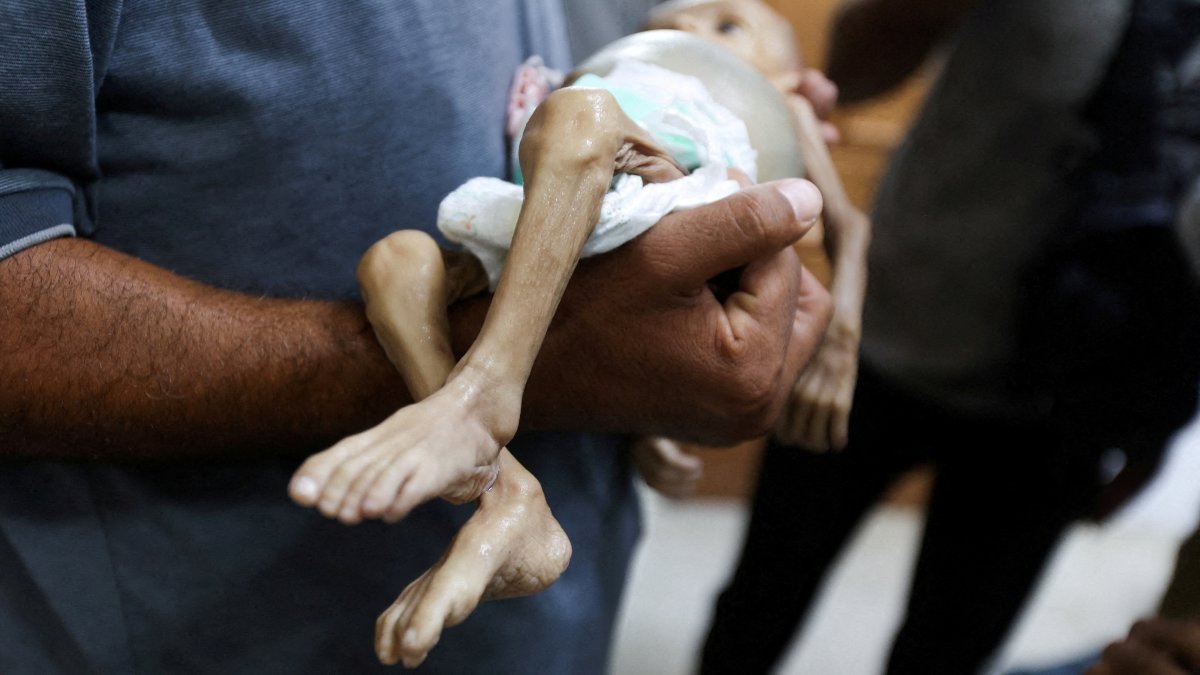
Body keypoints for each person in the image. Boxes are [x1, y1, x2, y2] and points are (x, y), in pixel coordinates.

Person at [0, 2, 832, 673]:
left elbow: (844, 230)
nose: (688, 23)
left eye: (729, 22)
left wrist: (836, 338)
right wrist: (564, 368)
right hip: (187, 630)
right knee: (398, 261)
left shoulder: (759, 109)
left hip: (639, 185)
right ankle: (505, 482)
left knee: (576, 119)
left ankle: (482, 412)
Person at [699, 0, 1200, 673]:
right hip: (881, 336)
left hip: (1065, 400)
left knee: (949, 652)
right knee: (760, 602)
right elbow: (846, 71)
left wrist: (1155, 422)